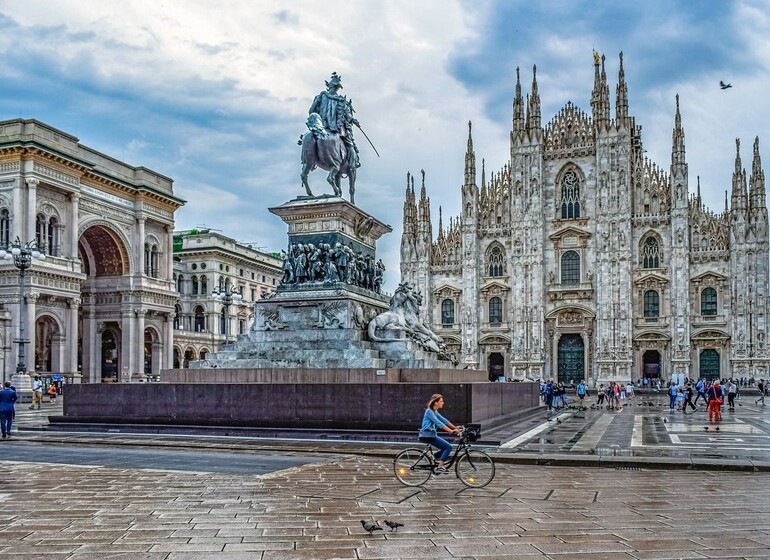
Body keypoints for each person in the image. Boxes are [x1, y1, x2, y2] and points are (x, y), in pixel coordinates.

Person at [308, 72, 360, 168]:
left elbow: (311, 112)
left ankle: (309, 162)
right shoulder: (341, 100)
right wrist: (354, 120)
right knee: (350, 145)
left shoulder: (321, 96)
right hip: (336, 128)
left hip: (321, 127)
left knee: (309, 137)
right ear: (338, 87)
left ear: (329, 86)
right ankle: (354, 163)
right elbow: (348, 116)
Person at [419, 394, 460, 474]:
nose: (443, 403)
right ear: (435, 402)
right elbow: (439, 423)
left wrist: (455, 427)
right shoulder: (429, 412)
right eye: (441, 401)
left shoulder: (434, 411)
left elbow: (443, 420)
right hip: (428, 435)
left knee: (445, 447)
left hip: (431, 435)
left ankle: (433, 457)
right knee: (448, 447)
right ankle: (439, 467)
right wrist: (450, 431)